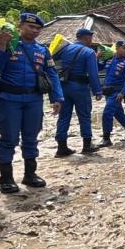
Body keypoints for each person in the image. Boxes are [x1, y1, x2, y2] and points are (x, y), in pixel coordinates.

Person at [0, 13, 64, 193]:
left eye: (38, 28)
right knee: (9, 138)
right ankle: (6, 178)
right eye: (31, 27)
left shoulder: (42, 50)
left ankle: (30, 174)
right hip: (9, 99)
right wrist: (1, 47)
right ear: (20, 26)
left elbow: (52, 74)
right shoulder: (8, 45)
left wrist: (56, 98)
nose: (34, 30)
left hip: (33, 99)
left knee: (31, 137)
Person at [54, 27, 103, 157]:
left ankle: (61, 147)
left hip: (64, 86)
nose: (91, 40)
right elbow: (93, 74)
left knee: (64, 116)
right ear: (86, 37)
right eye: (91, 37)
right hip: (80, 87)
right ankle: (87, 146)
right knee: (84, 116)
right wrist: (97, 90)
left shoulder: (65, 49)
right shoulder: (88, 52)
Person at [96, 40, 125, 147]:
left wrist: (123, 92)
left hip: (117, 93)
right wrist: (97, 57)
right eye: (123, 48)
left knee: (107, 113)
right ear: (117, 48)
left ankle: (106, 138)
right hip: (107, 91)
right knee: (118, 114)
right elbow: (98, 67)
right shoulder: (109, 59)